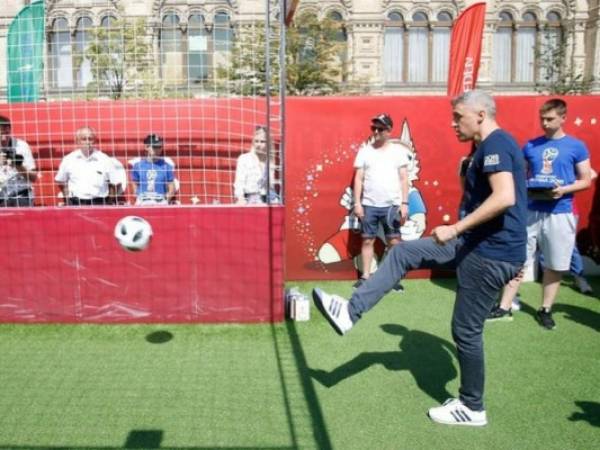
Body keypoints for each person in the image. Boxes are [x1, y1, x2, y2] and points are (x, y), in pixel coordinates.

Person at [312, 90, 527, 426]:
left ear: (481, 114)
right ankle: (349, 312)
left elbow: (505, 197)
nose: (453, 123)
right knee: (404, 252)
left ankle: (473, 407)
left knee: (465, 330)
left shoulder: (498, 144)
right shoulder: (485, 148)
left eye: (459, 116)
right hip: (474, 244)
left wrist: (456, 228)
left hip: (490, 253)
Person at [488, 99, 592, 329]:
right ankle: (504, 306)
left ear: (563, 118)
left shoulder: (577, 146)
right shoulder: (531, 146)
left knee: (554, 264)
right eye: (542, 119)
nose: (544, 123)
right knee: (517, 259)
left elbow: (586, 180)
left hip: (560, 212)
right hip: (531, 211)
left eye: (550, 119)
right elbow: (519, 176)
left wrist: (563, 189)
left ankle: (545, 309)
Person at [352, 114, 409, 288]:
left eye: (380, 128)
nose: (376, 131)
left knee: (394, 242)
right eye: (374, 128)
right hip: (369, 205)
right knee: (367, 240)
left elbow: (404, 179)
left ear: (389, 131)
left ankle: (392, 278)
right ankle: (365, 277)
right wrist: (357, 203)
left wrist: (405, 203)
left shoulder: (398, 152)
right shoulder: (365, 151)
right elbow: (358, 179)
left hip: (392, 205)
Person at [55, 126, 119, 205]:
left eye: (90, 139)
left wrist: (109, 202)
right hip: (76, 202)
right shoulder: (68, 159)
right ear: (77, 141)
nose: (87, 142)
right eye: (84, 139)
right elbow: (61, 180)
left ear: (95, 141)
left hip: (100, 202)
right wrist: (68, 200)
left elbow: (115, 183)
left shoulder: (105, 159)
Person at [233, 126, 279, 205]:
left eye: (262, 142)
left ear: (268, 143)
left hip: (268, 199)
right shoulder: (244, 158)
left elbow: (270, 185)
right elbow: (239, 182)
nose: (258, 144)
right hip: (249, 199)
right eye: (256, 141)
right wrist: (240, 198)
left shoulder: (270, 161)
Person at [0, 115, 37, 207]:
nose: (4, 137)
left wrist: (18, 165)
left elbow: (33, 177)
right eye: (1, 133)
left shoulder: (22, 146)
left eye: (7, 133)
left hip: (21, 195)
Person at [130, 134, 175, 205]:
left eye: (159, 147)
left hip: (160, 202)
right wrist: (138, 197)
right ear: (146, 147)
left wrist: (165, 201)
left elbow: (172, 187)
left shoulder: (166, 166)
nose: (157, 150)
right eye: (154, 147)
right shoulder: (138, 166)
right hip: (142, 202)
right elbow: (134, 183)